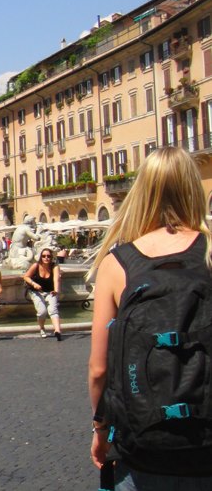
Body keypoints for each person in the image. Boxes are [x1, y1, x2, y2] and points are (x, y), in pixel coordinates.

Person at [89, 147, 212, 488]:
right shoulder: (211, 250)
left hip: (142, 446)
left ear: (140, 192)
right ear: (193, 188)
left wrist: (100, 431)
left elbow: (99, 369)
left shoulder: (117, 264)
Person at [22, 248, 62, 340]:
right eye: (44, 256)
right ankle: (42, 328)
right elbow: (26, 276)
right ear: (41, 257)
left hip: (50, 291)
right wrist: (34, 284)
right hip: (36, 292)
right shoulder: (36, 265)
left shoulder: (54, 267)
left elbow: (56, 279)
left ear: (51, 257)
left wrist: (56, 290)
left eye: (48, 256)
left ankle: (57, 331)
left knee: (53, 310)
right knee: (42, 312)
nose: (46, 258)